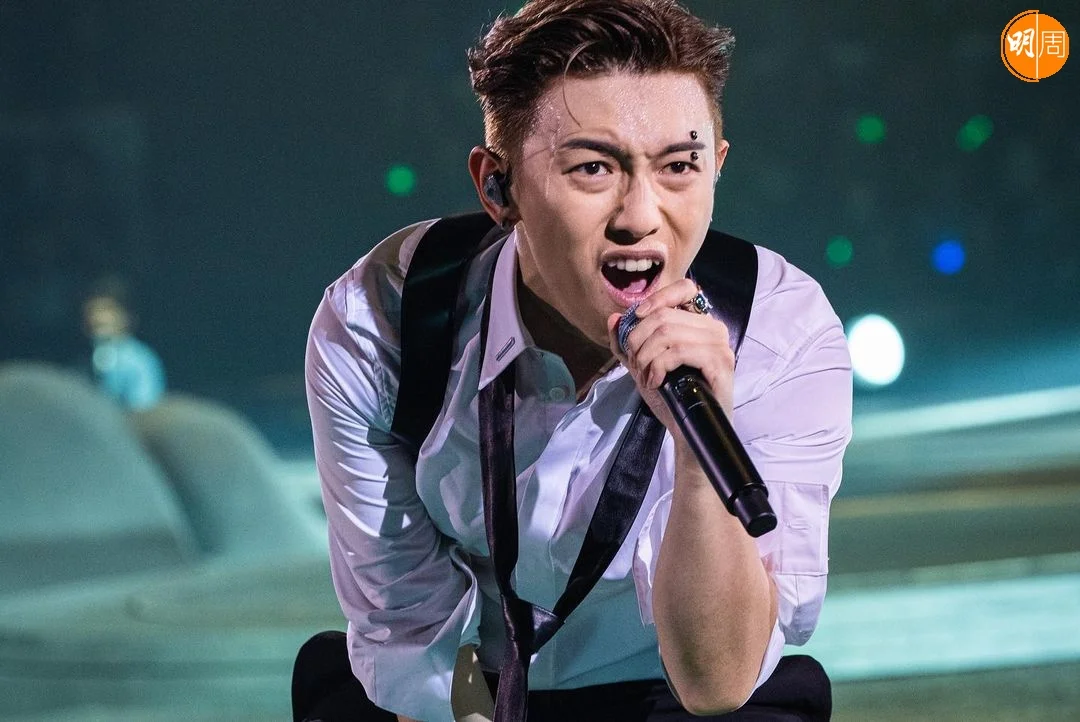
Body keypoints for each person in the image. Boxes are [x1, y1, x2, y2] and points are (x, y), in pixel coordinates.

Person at [300, 1, 852, 720]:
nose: (640, 217)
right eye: (593, 168)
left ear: (716, 167)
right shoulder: (383, 323)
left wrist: (698, 449)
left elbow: (717, 681)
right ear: (497, 186)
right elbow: (410, 632)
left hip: (668, 688)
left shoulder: (780, 331)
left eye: (678, 167)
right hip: (466, 690)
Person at [83, 276, 165, 410]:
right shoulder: (85, 359)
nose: (98, 318)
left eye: (107, 310)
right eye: (92, 310)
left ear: (126, 316)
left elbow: (144, 410)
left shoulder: (140, 361)